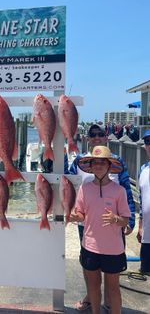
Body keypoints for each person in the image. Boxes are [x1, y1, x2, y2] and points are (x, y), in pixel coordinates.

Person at [69, 124, 135, 311]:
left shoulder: (118, 166)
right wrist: (69, 213)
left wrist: (128, 221)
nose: (96, 137)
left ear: (106, 137)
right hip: (87, 222)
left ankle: (109, 304)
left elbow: (127, 192)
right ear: (87, 138)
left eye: (100, 134)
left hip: (112, 229)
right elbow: (68, 185)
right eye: (92, 134)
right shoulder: (78, 162)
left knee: (112, 283)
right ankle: (91, 299)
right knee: (90, 273)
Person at [136, 129, 150, 275]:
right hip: (147, 234)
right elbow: (141, 200)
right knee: (145, 272)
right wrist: (140, 226)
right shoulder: (143, 169)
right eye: (147, 142)